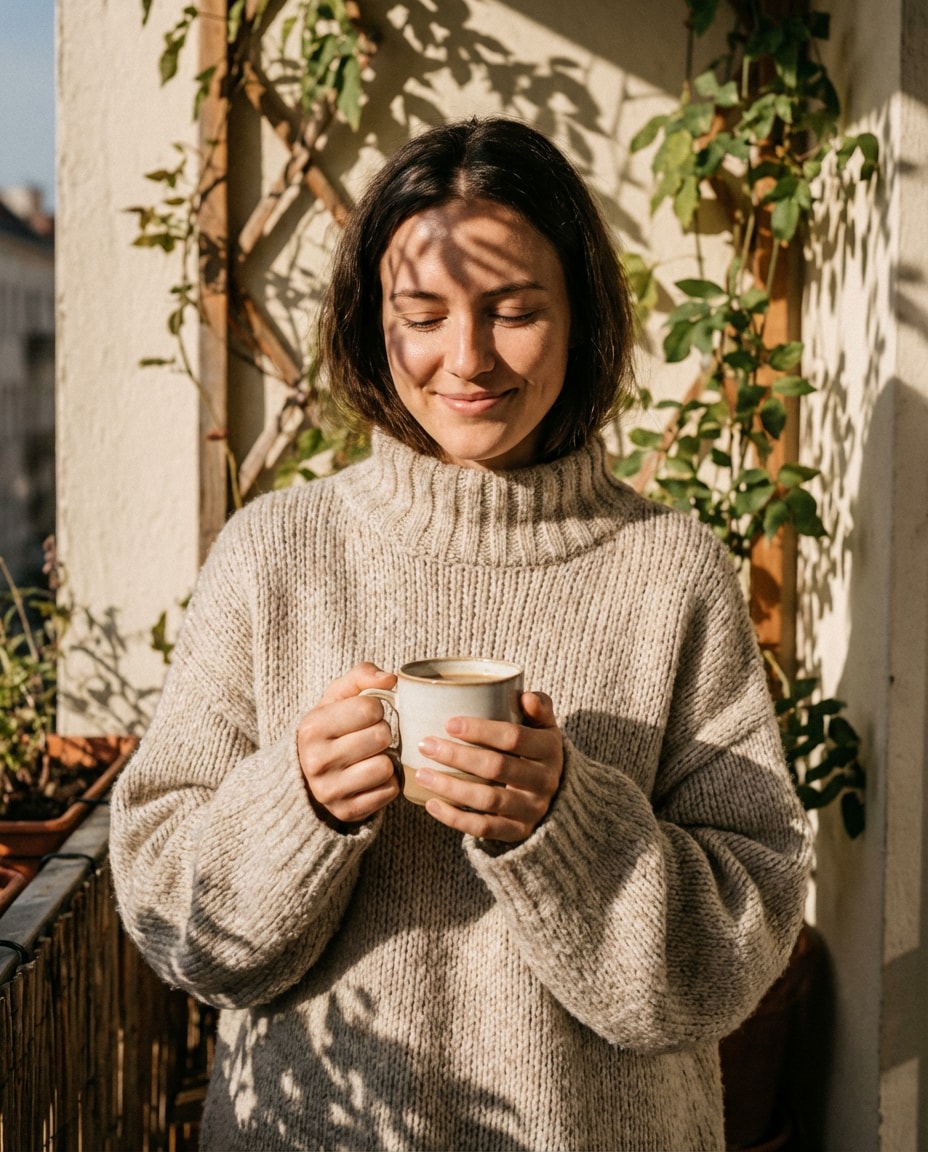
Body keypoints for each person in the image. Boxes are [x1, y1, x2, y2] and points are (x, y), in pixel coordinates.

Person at [110, 117, 813, 1151]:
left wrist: (562, 824)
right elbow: (173, 913)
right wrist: (295, 803)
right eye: (422, 314)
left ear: (580, 316)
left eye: (514, 310)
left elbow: (736, 947)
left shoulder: (672, 571)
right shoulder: (278, 553)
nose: (467, 357)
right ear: (367, 324)